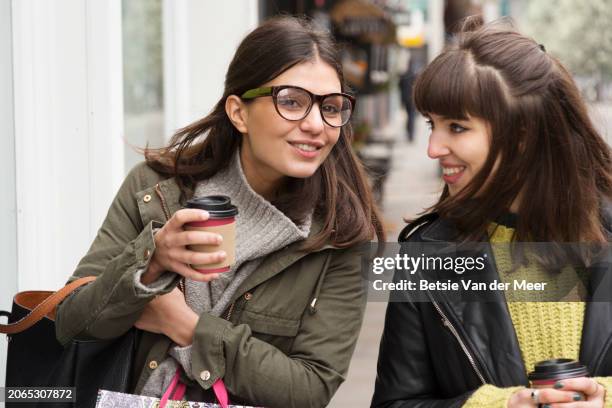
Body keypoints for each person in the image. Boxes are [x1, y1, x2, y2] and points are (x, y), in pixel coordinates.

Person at [55, 16, 384, 407]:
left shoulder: (340, 234)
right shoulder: (153, 192)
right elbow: (71, 324)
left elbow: (310, 389)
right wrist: (150, 263)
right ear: (238, 112)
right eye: (292, 101)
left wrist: (189, 327)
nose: (316, 124)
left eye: (331, 107)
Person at [371, 16, 612, 408]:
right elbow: (395, 403)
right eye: (432, 124)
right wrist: (498, 405)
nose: (433, 148)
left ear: (522, 135)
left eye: (457, 127)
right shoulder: (426, 256)